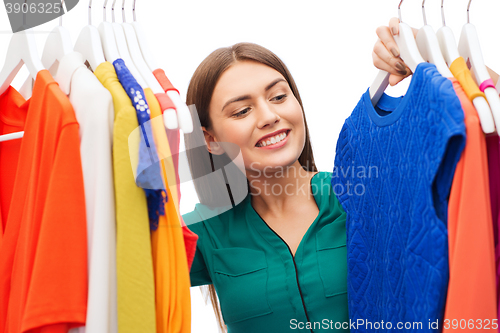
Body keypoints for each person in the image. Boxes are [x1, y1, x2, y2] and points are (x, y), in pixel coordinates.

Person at [181, 17, 499, 333]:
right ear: (210, 139)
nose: (270, 116)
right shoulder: (206, 231)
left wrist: (445, 62)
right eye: (242, 111)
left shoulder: (360, 194)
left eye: (278, 97)